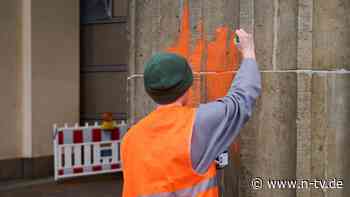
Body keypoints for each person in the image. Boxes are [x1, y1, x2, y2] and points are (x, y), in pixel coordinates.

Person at [121, 29, 261, 197]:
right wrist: (248, 52)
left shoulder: (130, 139)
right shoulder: (198, 123)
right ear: (187, 87)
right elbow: (240, 99)